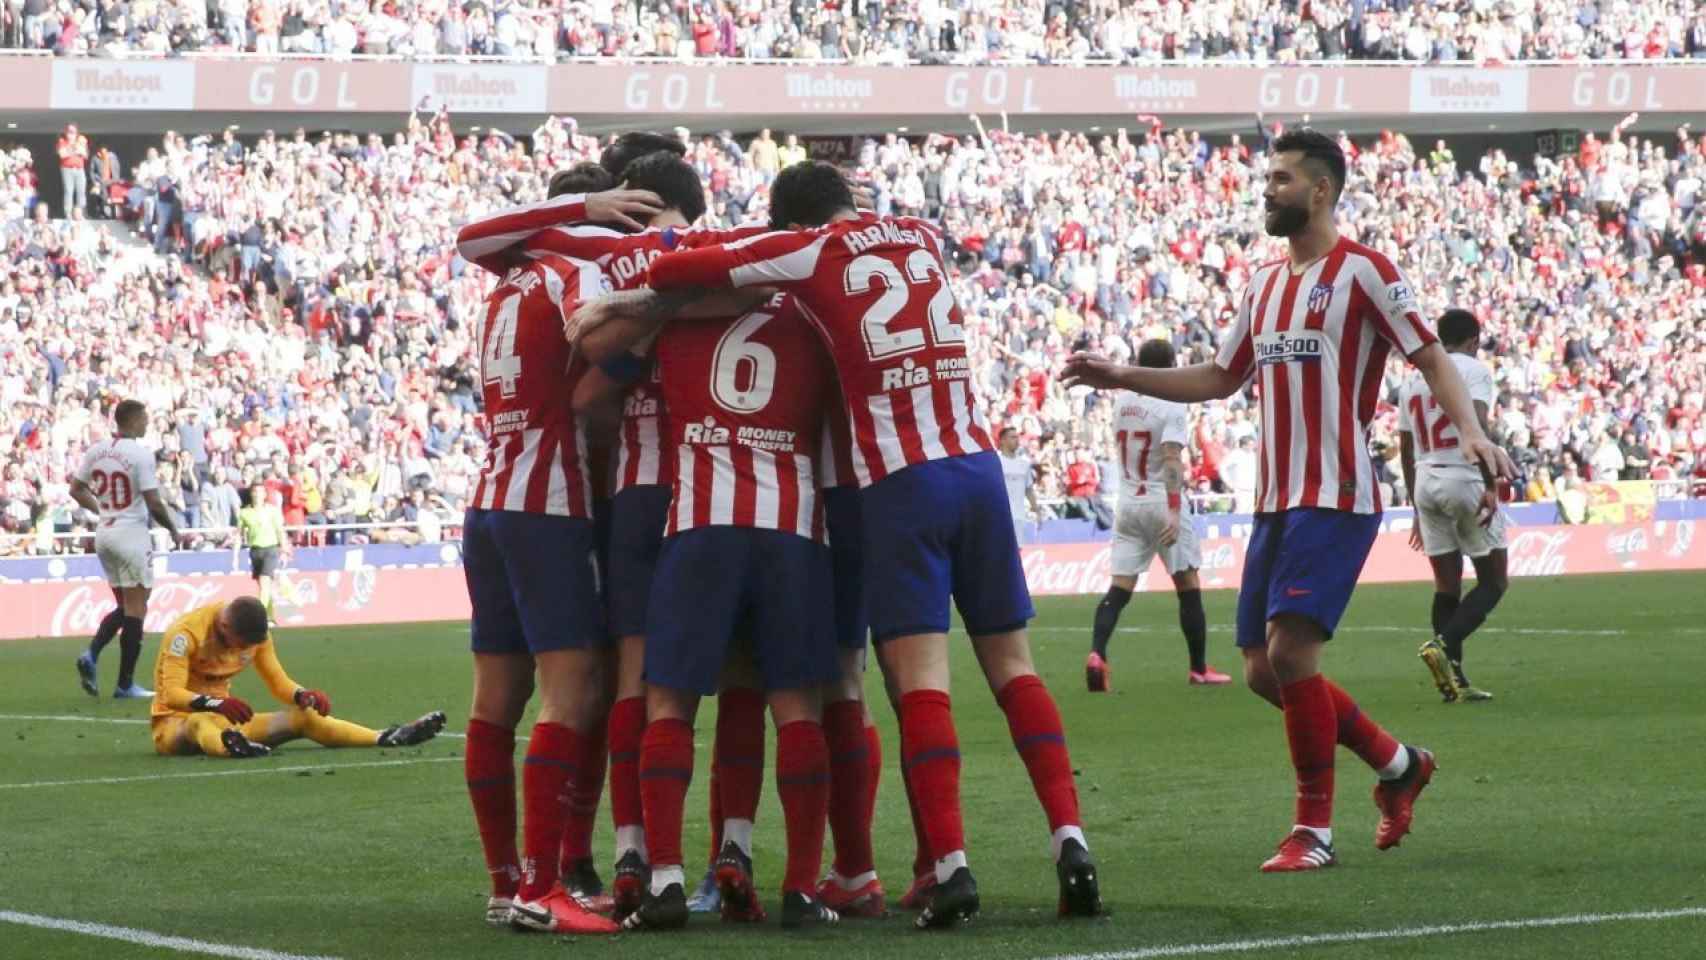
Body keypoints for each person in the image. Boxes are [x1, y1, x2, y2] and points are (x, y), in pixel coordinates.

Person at [576, 160, 1101, 928]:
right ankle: (1066, 841)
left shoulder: (808, 257)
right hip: (969, 471)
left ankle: (920, 865)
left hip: (867, 488)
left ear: (788, 226)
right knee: (1001, 668)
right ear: (849, 201)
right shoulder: (921, 234)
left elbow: (653, 305)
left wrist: (620, 299)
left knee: (863, 682)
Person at [1061, 129, 1514, 873]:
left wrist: (1470, 431)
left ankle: (1313, 831)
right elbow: (1216, 376)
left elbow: (1429, 354)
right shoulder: (1263, 283)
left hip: (1335, 494)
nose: (1265, 189)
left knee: (1291, 652)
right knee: (1263, 673)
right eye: (1266, 179)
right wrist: (1121, 376)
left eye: (1280, 179)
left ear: (1321, 190)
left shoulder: (1365, 272)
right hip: (1274, 496)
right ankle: (1400, 766)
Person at [580, 284, 844, 931]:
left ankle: (664, 876)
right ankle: (796, 886)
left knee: (667, 701)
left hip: (699, 524)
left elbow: (593, 385)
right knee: (792, 708)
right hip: (792, 527)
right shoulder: (815, 312)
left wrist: (624, 307)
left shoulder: (685, 311)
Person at [457, 170, 658, 937]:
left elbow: (477, 237)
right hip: (551, 503)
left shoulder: (508, 283)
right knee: (574, 691)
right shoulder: (578, 268)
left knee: (493, 704)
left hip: (491, 499)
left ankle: (507, 883)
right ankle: (544, 888)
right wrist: (653, 336)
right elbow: (594, 343)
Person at [1086, 339, 1230, 693]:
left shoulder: (1122, 403)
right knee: (1188, 583)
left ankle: (1096, 654)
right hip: (1158, 499)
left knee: (1120, 586)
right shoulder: (1171, 403)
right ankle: (1198, 669)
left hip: (1128, 502)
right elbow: (1170, 458)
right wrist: (1174, 509)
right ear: (1170, 366)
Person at [149, 595, 444, 759]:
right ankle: (231, 749)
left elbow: (277, 682)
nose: (244, 651)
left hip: (225, 721)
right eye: (241, 644)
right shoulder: (185, 634)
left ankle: (386, 737)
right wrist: (214, 704)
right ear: (224, 626)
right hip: (174, 725)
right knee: (198, 722)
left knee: (303, 716)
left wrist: (302, 695)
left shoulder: (256, 637)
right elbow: (170, 694)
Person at [1398, 308, 1506, 703]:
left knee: (1447, 583)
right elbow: (1475, 423)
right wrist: (1490, 483)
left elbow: (1406, 444)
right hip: (1464, 477)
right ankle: (1443, 645)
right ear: (1474, 341)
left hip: (1426, 479)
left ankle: (1454, 683)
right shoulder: (1473, 369)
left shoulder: (1413, 378)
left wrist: (1414, 505)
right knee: (1494, 581)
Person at [70, 399, 183, 700]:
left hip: (105, 535)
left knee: (125, 606)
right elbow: (154, 501)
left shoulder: (96, 450)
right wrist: (173, 528)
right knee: (136, 609)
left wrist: (101, 511)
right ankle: (124, 684)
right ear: (132, 421)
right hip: (131, 535)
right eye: (144, 419)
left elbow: (75, 489)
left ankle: (92, 655)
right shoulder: (140, 455)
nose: (147, 424)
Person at [238, 483, 290, 623]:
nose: (257, 494)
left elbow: (280, 530)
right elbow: (239, 534)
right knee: (264, 586)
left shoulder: (272, 511)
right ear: (251, 494)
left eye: (260, 492)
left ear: (265, 495)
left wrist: (284, 549)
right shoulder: (244, 513)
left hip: (271, 549)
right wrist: (235, 555)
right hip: (255, 550)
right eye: (255, 492)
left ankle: (259, 618)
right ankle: (271, 617)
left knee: (264, 580)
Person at [996, 426, 1037, 544]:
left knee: (1017, 550)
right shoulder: (996, 461)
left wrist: (1035, 508)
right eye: (1013, 437)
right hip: (1000, 516)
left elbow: (1028, 489)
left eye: (1017, 437)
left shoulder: (1024, 463)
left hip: (1019, 516)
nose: (1017, 440)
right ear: (1002, 440)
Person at [56, 123, 88, 219]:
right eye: (69, 132)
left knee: (81, 191)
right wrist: (74, 149)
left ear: (76, 132)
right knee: (69, 191)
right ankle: (68, 213)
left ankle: (80, 213)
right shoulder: (62, 142)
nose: (71, 134)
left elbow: (85, 154)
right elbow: (62, 155)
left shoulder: (81, 141)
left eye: (73, 132)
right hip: (67, 169)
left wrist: (77, 149)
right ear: (66, 132)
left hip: (79, 169)